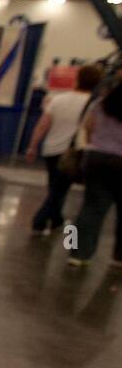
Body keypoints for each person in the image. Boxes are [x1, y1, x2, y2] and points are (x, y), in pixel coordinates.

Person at [25, 63, 103, 235]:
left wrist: (32, 146)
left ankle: (56, 220)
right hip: (74, 152)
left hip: (51, 149)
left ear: (77, 79)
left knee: (56, 186)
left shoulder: (58, 99)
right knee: (60, 188)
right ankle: (39, 221)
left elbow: (42, 125)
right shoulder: (95, 104)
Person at [67, 79, 122, 268]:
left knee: (91, 208)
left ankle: (76, 253)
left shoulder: (102, 103)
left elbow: (88, 127)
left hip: (96, 158)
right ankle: (118, 257)